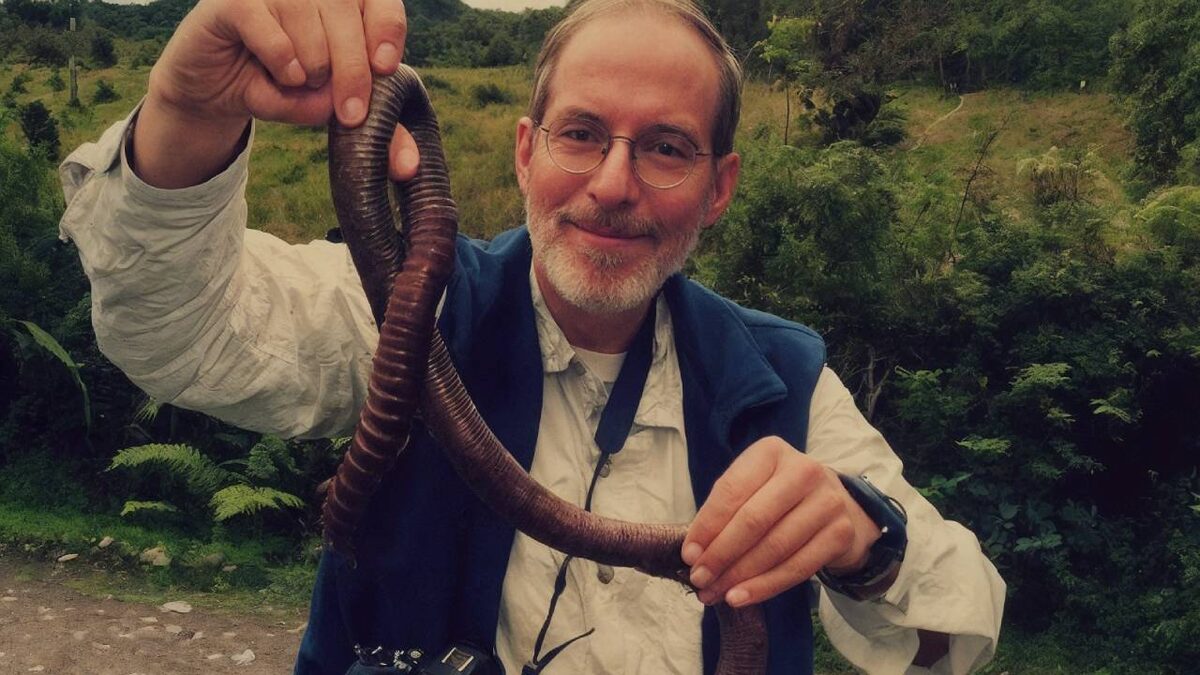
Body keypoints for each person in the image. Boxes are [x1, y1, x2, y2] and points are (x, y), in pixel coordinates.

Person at [58, 0, 1005, 673]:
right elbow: (175, 333)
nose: (613, 185)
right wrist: (187, 117)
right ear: (525, 151)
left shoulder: (780, 380)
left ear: (719, 187)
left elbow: (956, 629)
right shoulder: (413, 315)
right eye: (581, 133)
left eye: (666, 147)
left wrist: (865, 539)